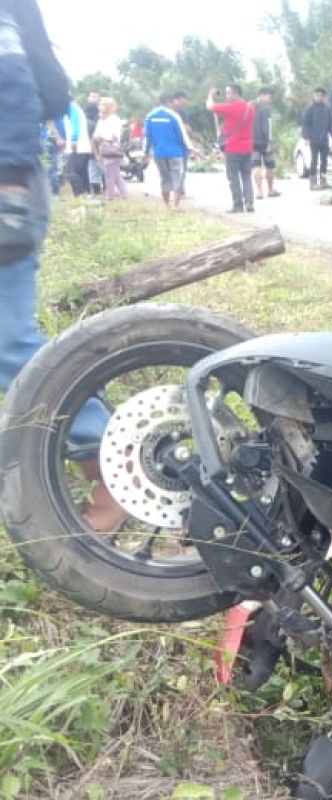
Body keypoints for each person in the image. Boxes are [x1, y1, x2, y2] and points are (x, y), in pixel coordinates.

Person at [0, 0, 123, 530]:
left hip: (6, 180)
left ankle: (115, 469)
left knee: (6, 340)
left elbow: (10, 78)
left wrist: (7, 181)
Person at [207, 84, 256, 213]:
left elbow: (209, 106)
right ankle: (249, 202)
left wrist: (210, 95)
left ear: (235, 94)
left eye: (228, 93)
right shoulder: (250, 108)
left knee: (233, 176)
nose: (227, 96)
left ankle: (238, 205)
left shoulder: (231, 108)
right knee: (246, 175)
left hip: (233, 147)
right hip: (247, 147)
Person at [145, 90, 192, 209]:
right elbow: (182, 134)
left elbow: (147, 137)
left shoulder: (150, 116)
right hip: (175, 152)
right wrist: (190, 148)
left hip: (159, 153)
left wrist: (146, 153)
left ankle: (167, 205)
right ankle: (175, 205)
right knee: (178, 177)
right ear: (168, 102)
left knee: (164, 178)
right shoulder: (174, 115)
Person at [92, 97, 127, 202]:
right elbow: (96, 135)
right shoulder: (101, 119)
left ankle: (109, 196)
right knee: (115, 174)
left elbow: (112, 135)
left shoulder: (113, 119)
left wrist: (101, 137)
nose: (99, 107)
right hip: (104, 148)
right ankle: (124, 195)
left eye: (102, 105)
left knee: (109, 174)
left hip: (111, 148)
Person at [302, 87, 332, 190]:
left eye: (321, 96)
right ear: (314, 95)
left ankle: (323, 181)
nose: (319, 97)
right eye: (317, 95)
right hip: (313, 138)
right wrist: (306, 137)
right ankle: (313, 182)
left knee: (324, 160)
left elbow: (330, 124)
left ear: (324, 97)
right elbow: (305, 123)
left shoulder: (327, 108)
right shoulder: (310, 108)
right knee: (314, 160)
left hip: (324, 138)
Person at [251, 86, 280, 200]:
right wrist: (269, 142)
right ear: (262, 95)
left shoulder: (249, 106)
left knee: (256, 165)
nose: (270, 99)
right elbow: (267, 127)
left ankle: (259, 191)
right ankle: (270, 189)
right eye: (269, 97)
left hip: (251, 141)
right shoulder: (265, 109)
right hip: (264, 141)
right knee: (270, 165)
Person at [62, 98, 89, 196]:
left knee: (72, 173)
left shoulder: (71, 107)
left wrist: (74, 139)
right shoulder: (74, 107)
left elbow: (75, 123)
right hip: (81, 146)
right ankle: (86, 195)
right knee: (81, 174)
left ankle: (81, 196)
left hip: (77, 146)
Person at [83, 90, 103, 195]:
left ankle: (98, 191)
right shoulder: (87, 114)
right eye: (91, 96)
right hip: (91, 145)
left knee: (95, 169)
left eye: (95, 97)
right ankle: (98, 191)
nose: (93, 98)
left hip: (96, 145)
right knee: (94, 169)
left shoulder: (102, 113)